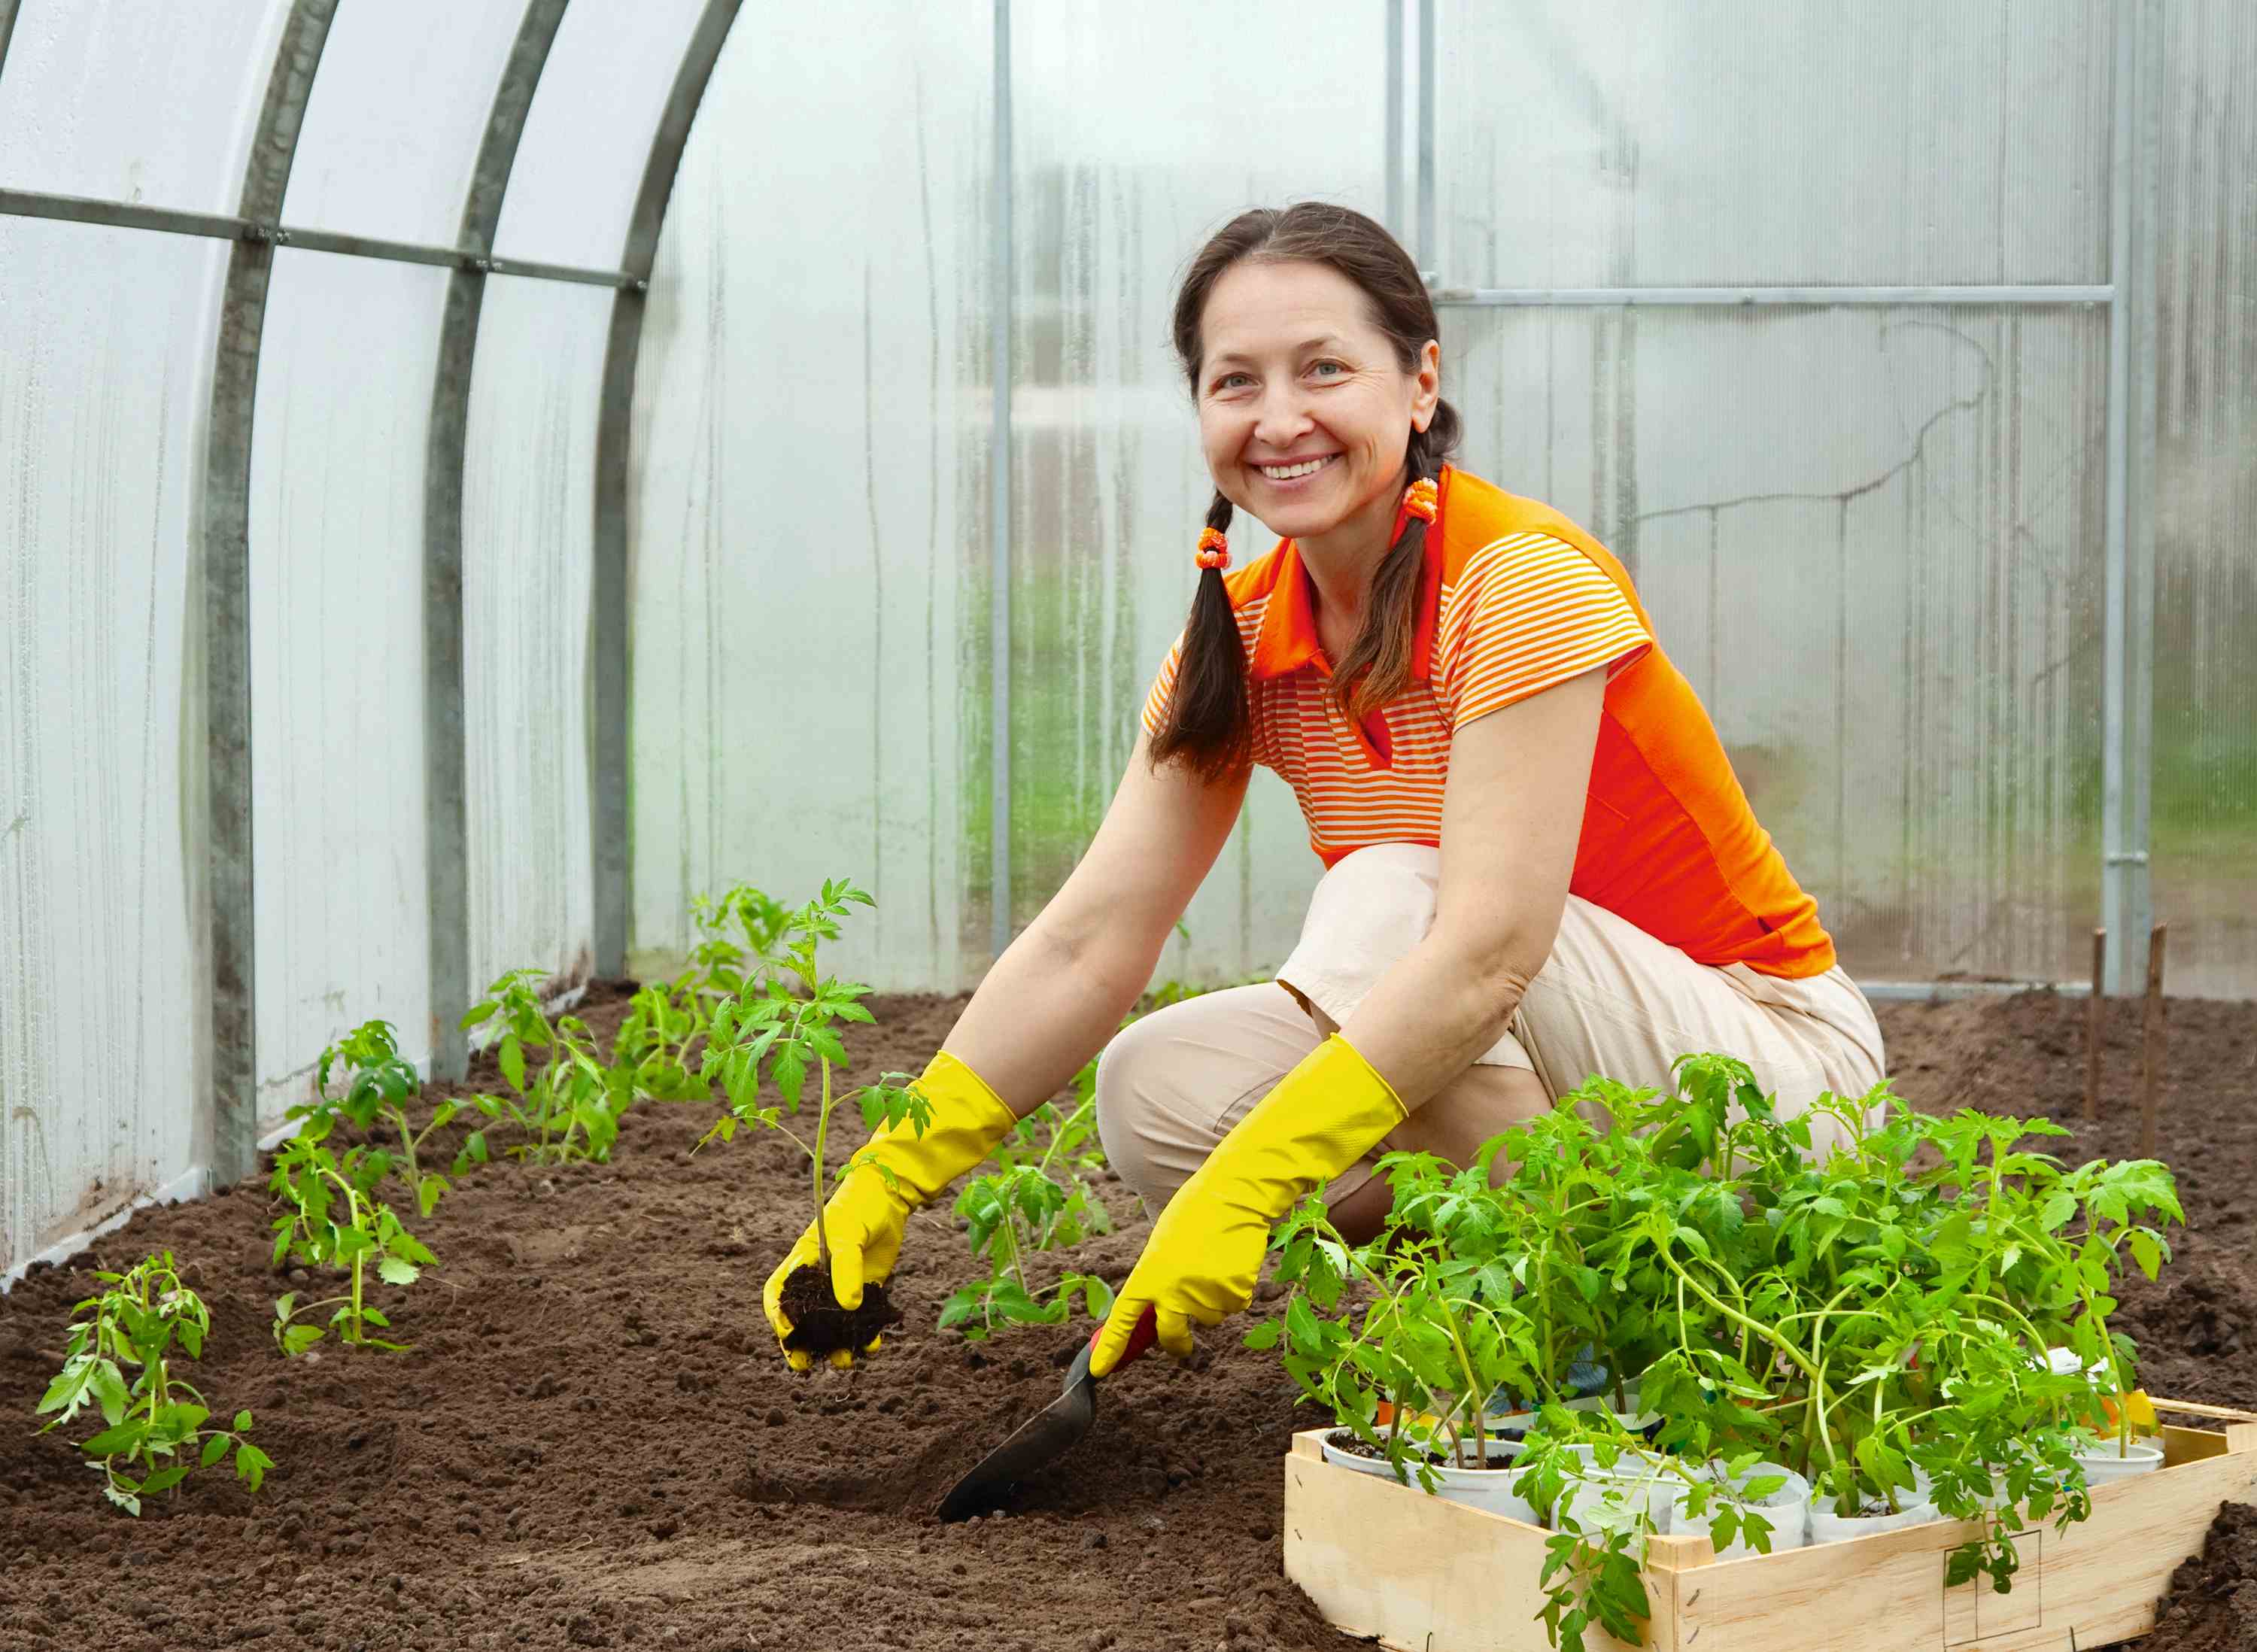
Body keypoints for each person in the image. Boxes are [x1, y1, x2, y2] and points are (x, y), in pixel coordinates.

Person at [761, 202, 1885, 1376]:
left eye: (1325, 370)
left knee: (1396, 895)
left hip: (1767, 1080)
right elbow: (1092, 942)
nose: (1280, 419)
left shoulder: (1517, 580)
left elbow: (1492, 950)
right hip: (1577, 1063)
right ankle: (1503, 1282)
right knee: (1158, 1086)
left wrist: (1251, 1186)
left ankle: (1618, 1328)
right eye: (1234, 381)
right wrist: (887, 1178)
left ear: (1418, 382)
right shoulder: (1241, 638)